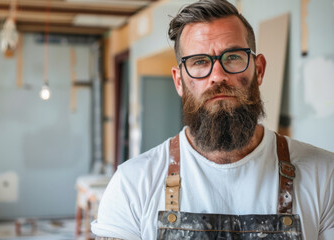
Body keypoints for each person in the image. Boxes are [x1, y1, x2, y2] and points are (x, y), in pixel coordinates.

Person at [91, 0, 334, 239]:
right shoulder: (132, 184)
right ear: (179, 81)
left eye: (233, 57)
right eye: (199, 62)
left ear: (258, 70)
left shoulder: (324, 177)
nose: (217, 76)